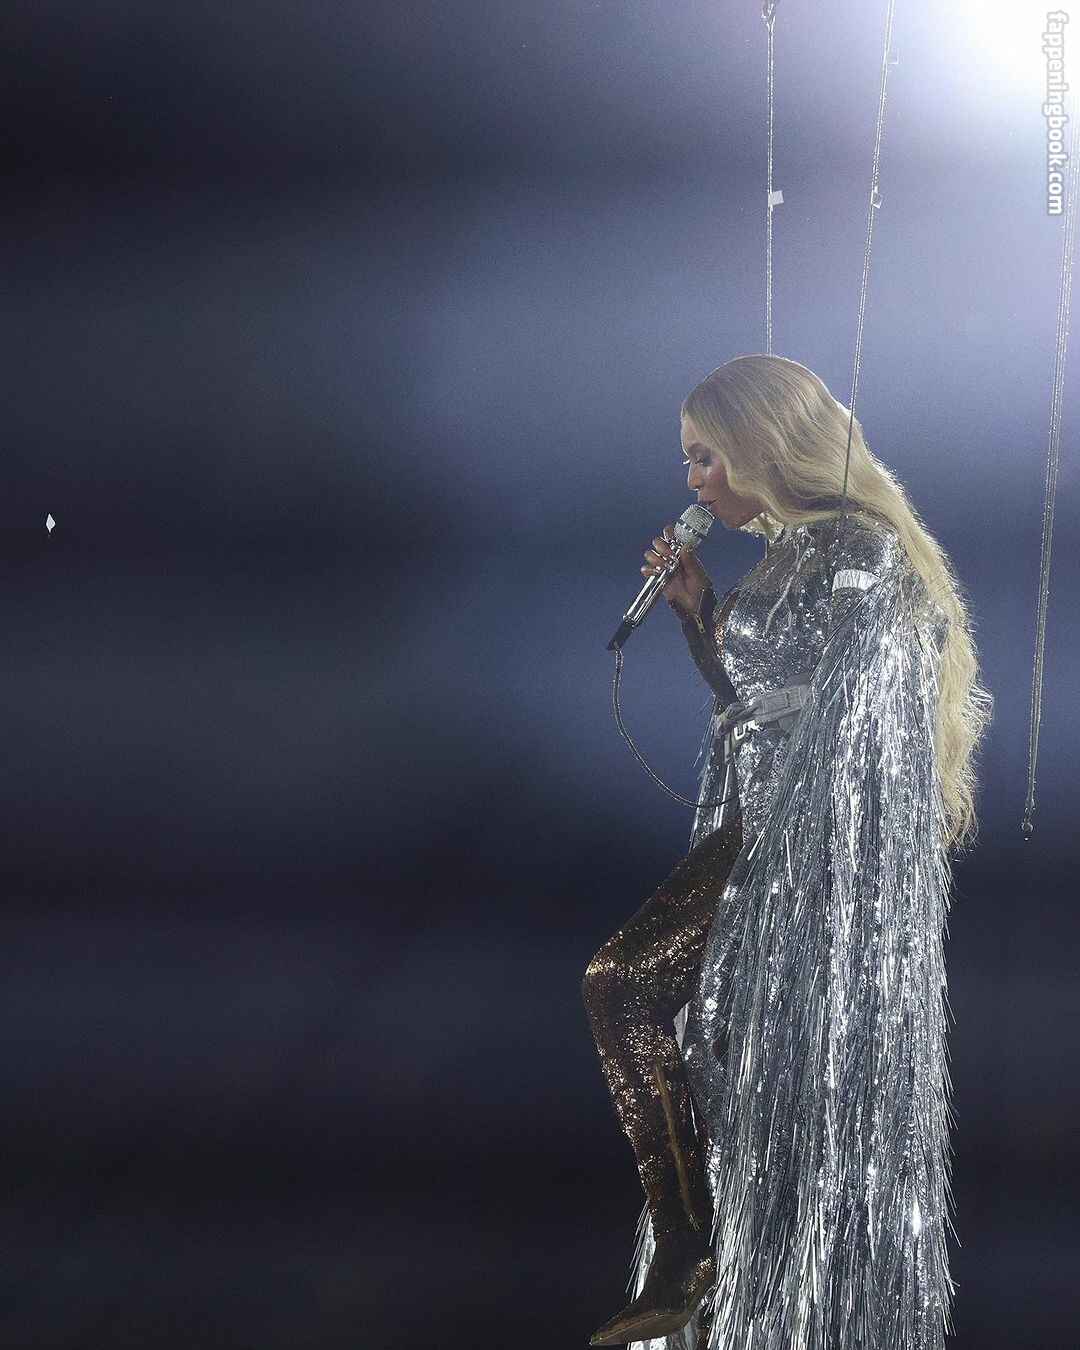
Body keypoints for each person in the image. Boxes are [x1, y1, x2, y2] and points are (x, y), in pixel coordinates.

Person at [581, 354, 992, 1350]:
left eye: (705, 456)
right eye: (689, 462)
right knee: (627, 990)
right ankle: (689, 1240)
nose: (694, 482)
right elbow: (752, 707)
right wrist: (695, 617)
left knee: (624, 983)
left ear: (761, 443)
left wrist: (810, 849)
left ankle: (693, 1246)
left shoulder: (859, 549)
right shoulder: (782, 555)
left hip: (803, 842)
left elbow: (858, 715)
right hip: (755, 825)